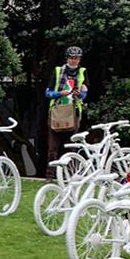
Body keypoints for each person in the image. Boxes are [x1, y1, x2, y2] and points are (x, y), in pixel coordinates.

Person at [46, 44, 89, 172]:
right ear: (67, 58)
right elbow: (47, 93)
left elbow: (85, 93)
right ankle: (50, 174)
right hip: (57, 111)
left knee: (71, 146)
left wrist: (79, 94)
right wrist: (59, 93)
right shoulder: (58, 71)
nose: (73, 60)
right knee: (53, 147)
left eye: (76, 58)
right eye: (71, 58)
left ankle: (69, 174)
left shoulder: (83, 72)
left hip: (73, 111)